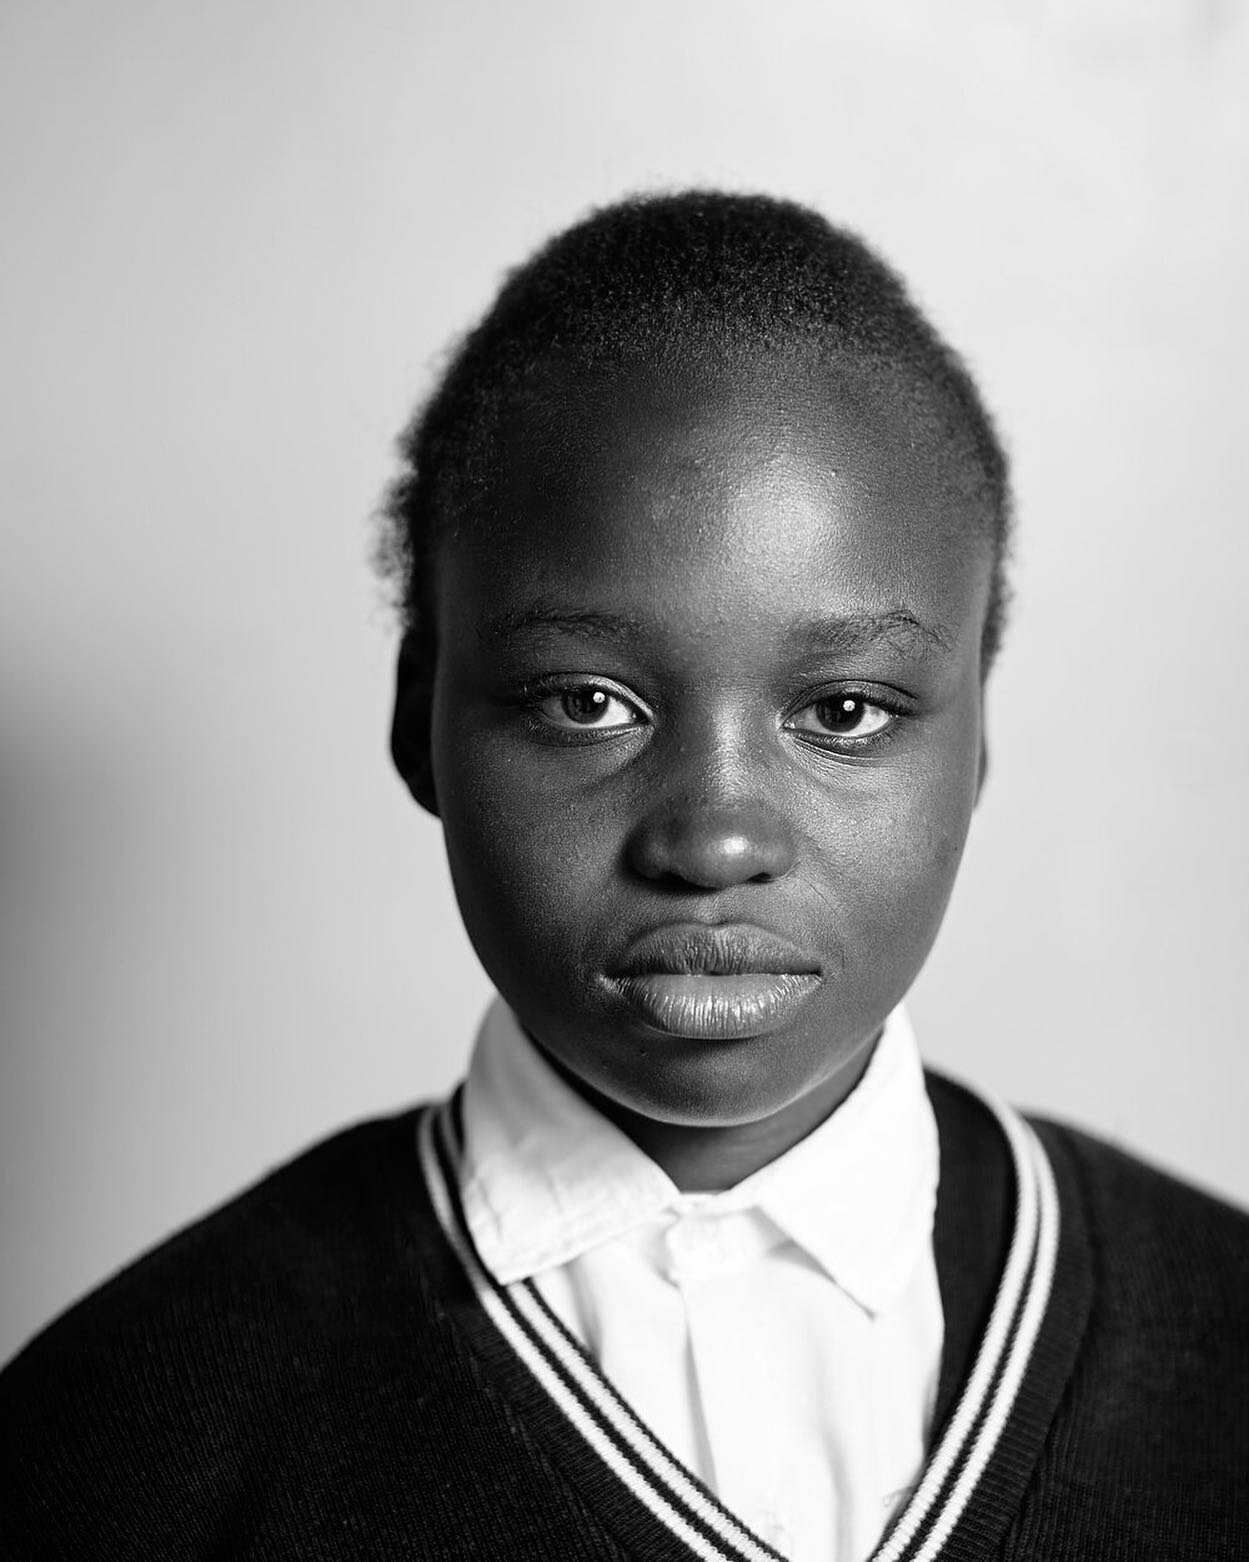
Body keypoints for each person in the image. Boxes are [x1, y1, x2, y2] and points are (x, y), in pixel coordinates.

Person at [2, 191, 1246, 1561]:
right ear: (419, 718)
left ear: (976, 736)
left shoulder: (1219, 1344)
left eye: (840, 713)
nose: (712, 843)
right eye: (586, 702)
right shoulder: (129, 1439)